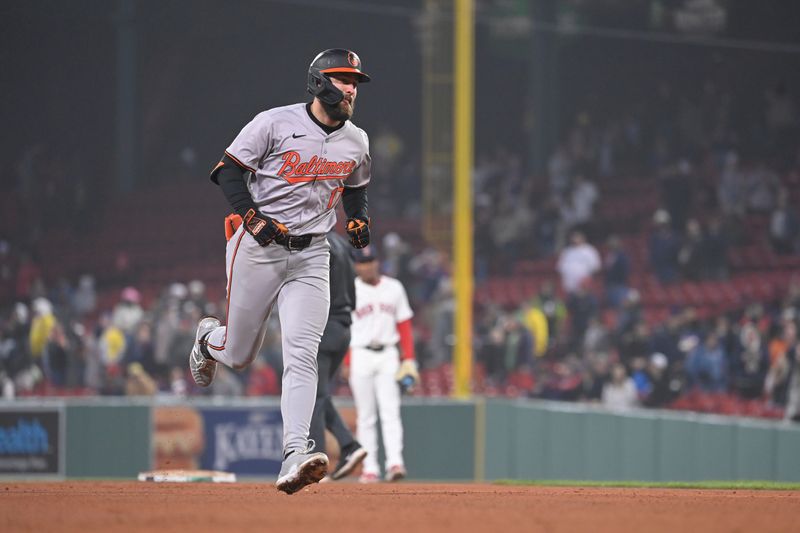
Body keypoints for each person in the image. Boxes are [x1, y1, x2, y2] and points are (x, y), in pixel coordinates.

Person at [188, 48, 373, 494]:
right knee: (240, 354)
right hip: (259, 248)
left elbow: (356, 188)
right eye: (342, 78)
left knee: (302, 354)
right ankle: (209, 341)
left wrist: (359, 218)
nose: (350, 88)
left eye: (354, 81)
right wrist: (252, 217)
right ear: (318, 82)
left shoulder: (357, 141)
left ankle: (295, 452)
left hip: (313, 255)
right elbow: (228, 172)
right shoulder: (273, 122)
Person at [348, 245, 419, 483]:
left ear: (377, 262)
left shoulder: (394, 288)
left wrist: (408, 358)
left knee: (390, 412)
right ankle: (370, 468)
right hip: (360, 353)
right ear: (356, 265)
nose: (367, 265)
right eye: (362, 262)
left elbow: (405, 326)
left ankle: (395, 463)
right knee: (366, 416)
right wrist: (347, 360)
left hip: (388, 354)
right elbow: (345, 328)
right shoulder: (351, 290)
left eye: (370, 260)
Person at [308, 231, 367, 481]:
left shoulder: (316, 243)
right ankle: (349, 446)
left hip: (324, 326)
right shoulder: (342, 243)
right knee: (318, 394)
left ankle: (316, 464)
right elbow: (353, 296)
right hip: (343, 327)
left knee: (311, 395)